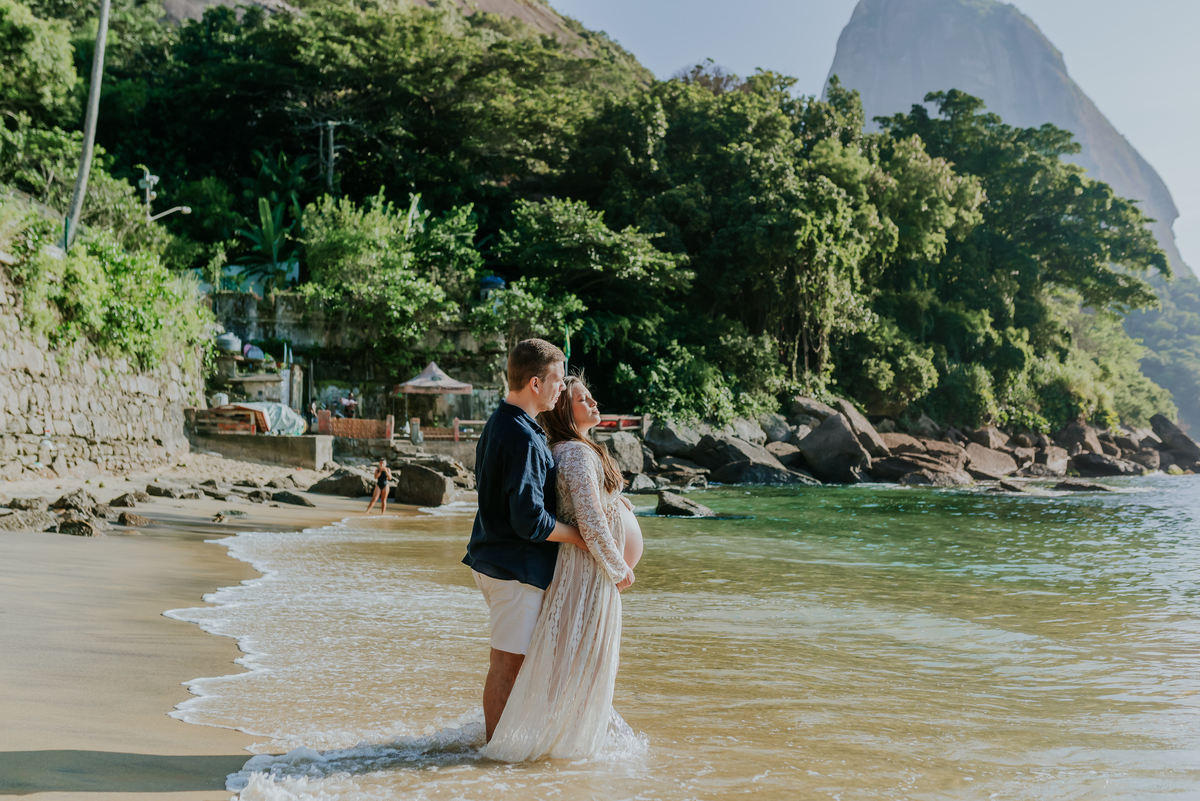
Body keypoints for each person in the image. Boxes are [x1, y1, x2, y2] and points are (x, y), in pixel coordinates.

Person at [482, 373, 641, 762]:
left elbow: (591, 506)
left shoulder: (573, 450)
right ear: (564, 412)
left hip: (588, 569)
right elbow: (590, 520)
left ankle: (563, 744)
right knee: (584, 662)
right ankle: (558, 751)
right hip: (590, 573)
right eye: (583, 399)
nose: (594, 403)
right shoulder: (575, 452)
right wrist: (618, 568)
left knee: (578, 660)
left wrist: (619, 505)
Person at [463, 339, 590, 744]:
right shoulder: (522, 436)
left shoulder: (502, 422)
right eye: (558, 379)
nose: (562, 387)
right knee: (507, 667)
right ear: (535, 383)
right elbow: (529, 520)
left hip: (497, 559)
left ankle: (502, 745)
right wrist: (580, 538)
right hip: (513, 569)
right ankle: (494, 755)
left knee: (510, 663)